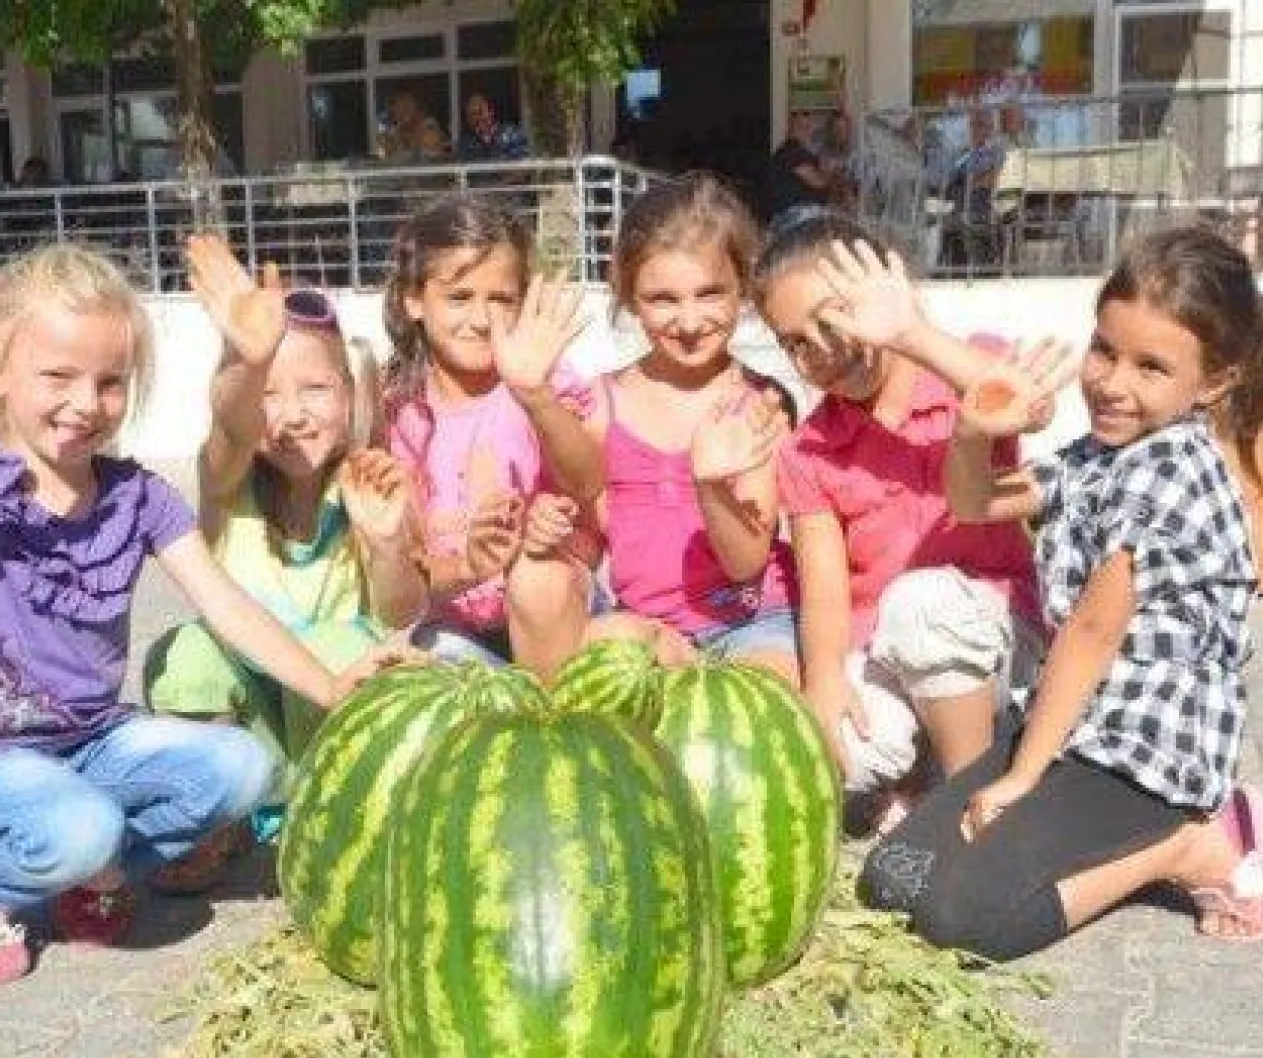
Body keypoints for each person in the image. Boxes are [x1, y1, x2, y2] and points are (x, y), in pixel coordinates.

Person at [0, 247, 392, 983]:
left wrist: (330, 687)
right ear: (0, 370)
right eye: (57, 376)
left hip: (91, 742)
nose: (86, 402)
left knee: (244, 769)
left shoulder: (137, 497)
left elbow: (226, 606)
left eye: (110, 382)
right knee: (85, 828)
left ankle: (88, 866)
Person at [858, 225, 1263, 959]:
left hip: (1145, 751)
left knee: (961, 923)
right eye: (1104, 350)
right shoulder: (1101, 455)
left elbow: (1090, 635)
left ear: (1214, 381)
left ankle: (1189, 846)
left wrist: (1020, 779)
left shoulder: (1170, 469)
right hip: (1072, 727)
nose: (1112, 383)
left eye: (1151, 367)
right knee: (892, 878)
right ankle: (1082, 828)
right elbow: (975, 504)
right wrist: (970, 432)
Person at [143, 236, 428, 870]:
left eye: (314, 389)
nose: (292, 415)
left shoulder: (372, 481)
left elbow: (402, 611)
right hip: (256, 719)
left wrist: (385, 546)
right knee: (186, 655)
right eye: (268, 393)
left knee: (348, 644)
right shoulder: (227, 480)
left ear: (351, 393)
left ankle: (332, 812)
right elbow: (231, 428)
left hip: (328, 716)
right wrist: (250, 356)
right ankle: (218, 820)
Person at [756, 213, 1044, 834]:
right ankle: (922, 771)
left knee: (922, 602)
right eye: (796, 342)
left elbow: (1026, 401)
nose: (822, 349)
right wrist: (825, 682)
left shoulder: (967, 365)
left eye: (834, 319)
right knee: (844, 755)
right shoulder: (808, 452)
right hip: (887, 648)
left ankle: (973, 804)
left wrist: (910, 332)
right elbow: (826, 594)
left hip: (993, 638)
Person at [526, 172, 801, 685]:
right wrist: (549, 527)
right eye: (663, 299)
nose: (690, 320)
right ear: (629, 296)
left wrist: (711, 486)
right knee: (594, 647)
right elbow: (588, 523)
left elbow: (745, 563)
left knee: (769, 693)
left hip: (752, 625)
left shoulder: (760, 403)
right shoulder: (602, 400)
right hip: (646, 627)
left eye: (710, 293)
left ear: (742, 287)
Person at [382, 193, 604, 670]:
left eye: (501, 299)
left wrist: (536, 394)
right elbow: (411, 570)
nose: (482, 320)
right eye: (459, 298)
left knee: (536, 578)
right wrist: (469, 564)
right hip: (455, 624)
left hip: (555, 611)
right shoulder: (401, 410)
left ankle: (553, 736)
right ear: (414, 300)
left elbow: (588, 482)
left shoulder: (538, 377)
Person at [940, 107, 1006, 270]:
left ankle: (977, 271)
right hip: (959, 206)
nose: (975, 129)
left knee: (967, 224)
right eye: (973, 125)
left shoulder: (996, 151)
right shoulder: (962, 154)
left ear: (990, 128)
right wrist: (971, 180)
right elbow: (948, 179)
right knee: (943, 226)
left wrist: (970, 181)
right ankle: (948, 270)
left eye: (981, 124)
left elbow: (992, 179)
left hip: (984, 206)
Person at [767, 111, 836, 224]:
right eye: (806, 127)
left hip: (799, 214)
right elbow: (818, 182)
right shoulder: (792, 152)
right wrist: (829, 169)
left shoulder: (798, 152)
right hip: (796, 215)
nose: (810, 131)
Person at [375, 92, 450, 163]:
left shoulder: (429, 126)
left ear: (416, 108)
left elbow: (433, 151)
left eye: (405, 108)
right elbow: (384, 154)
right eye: (397, 109)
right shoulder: (394, 130)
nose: (400, 114)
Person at [457, 93, 530, 162]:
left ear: (491, 112)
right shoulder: (466, 144)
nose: (477, 118)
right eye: (471, 116)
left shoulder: (512, 134)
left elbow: (523, 165)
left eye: (480, 112)